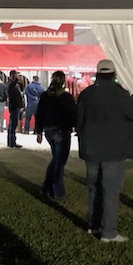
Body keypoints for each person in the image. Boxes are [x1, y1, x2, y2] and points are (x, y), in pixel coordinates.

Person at [76, 59, 133, 243]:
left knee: (94, 189)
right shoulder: (120, 94)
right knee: (110, 191)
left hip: (90, 149)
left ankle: (93, 225)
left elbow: (78, 120)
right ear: (114, 74)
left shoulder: (87, 94)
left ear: (97, 74)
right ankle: (109, 233)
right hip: (113, 150)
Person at [34, 71, 77, 200]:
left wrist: (39, 131)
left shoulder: (45, 96)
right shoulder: (66, 98)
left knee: (56, 159)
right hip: (62, 130)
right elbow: (73, 115)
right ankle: (57, 190)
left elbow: (40, 114)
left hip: (49, 131)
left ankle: (47, 186)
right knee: (60, 161)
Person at [6, 70, 25, 148]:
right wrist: (16, 79)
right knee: (13, 124)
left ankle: (12, 141)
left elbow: (21, 89)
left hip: (16, 106)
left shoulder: (15, 84)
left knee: (14, 124)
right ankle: (11, 141)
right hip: (14, 106)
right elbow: (11, 86)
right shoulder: (10, 84)